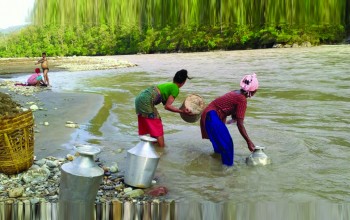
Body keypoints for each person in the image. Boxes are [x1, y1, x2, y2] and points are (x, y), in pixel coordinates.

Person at [200, 73, 259, 166]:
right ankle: (228, 172)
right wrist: (248, 141)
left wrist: (233, 119)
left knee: (219, 147)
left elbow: (230, 110)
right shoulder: (242, 99)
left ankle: (215, 168)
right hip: (212, 116)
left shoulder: (236, 92)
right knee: (228, 145)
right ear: (254, 91)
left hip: (208, 115)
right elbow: (240, 124)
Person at [135, 69, 192, 147]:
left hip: (139, 98)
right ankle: (162, 151)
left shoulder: (169, 85)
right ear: (184, 81)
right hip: (146, 101)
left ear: (174, 78)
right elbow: (167, 106)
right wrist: (182, 111)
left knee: (153, 125)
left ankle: (154, 148)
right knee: (157, 126)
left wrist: (181, 109)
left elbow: (165, 102)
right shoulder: (175, 88)